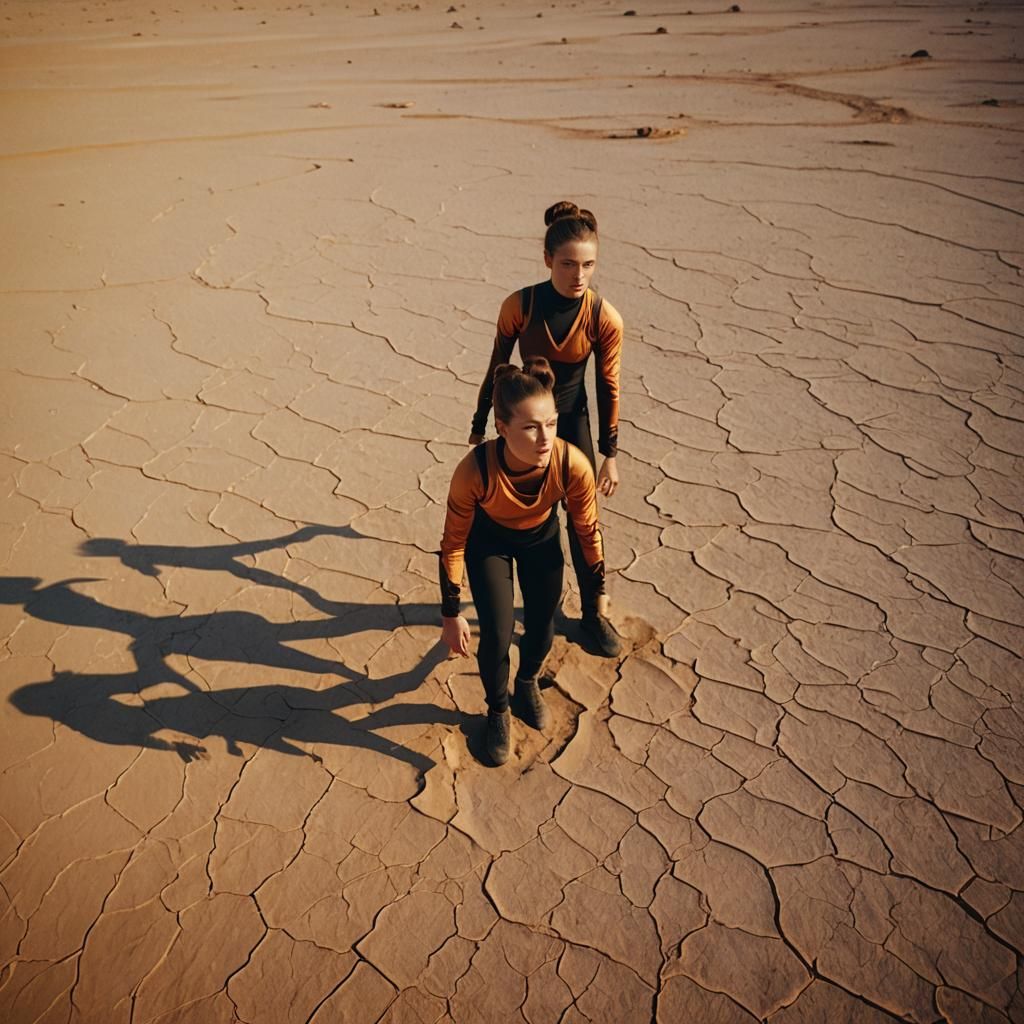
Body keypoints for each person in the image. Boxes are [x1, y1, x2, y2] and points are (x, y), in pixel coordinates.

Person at [468, 200, 623, 657]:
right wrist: (479, 425)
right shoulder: (521, 304)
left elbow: (607, 384)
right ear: (547, 260)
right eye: (568, 263)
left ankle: (595, 612)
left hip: (572, 423)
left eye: (589, 265)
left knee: (583, 523)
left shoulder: (602, 317)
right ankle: (522, 610)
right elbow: (497, 364)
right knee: (516, 515)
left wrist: (609, 453)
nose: (579, 275)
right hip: (521, 425)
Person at [440, 359, 607, 765]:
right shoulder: (473, 470)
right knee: (496, 634)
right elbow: (453, 542)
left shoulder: (571, 463)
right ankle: (498, 711)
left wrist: (598, 594)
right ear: (501, 427)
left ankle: (527, 681)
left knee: (542, 624)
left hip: (540, 541)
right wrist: (451, 613)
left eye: (551, 423)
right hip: (488, 545)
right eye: (531, 427)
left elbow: (587, 531)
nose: (544, 437)